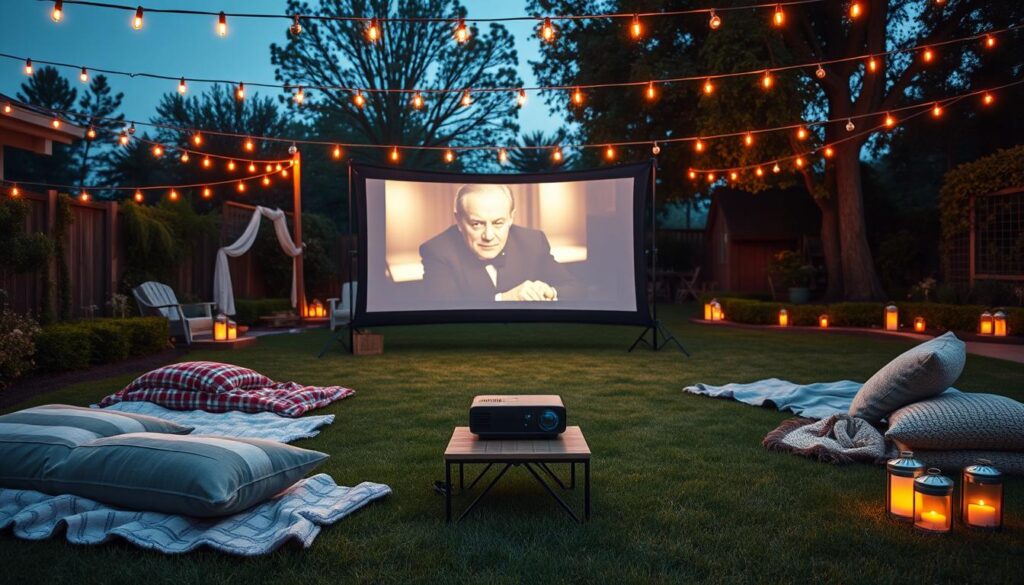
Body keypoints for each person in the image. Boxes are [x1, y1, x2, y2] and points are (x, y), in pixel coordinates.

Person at [419, 184, 583, 302]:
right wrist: (505, 298)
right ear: (459, 221)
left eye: (498, 223)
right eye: (477, 224)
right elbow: (444, 311)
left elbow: (574, 288)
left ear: (511, 217)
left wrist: (549, 292)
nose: (489, 236)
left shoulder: (533, 241)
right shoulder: (437, 251)